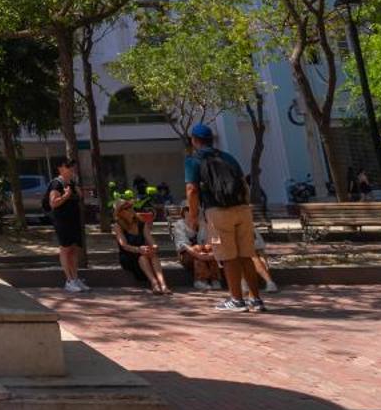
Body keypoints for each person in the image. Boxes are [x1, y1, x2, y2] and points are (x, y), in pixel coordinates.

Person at [184, 122, 266, 313]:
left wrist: (193, 216)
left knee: (228, 257)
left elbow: (192, 189)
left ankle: (236, 300)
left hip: (217, 211)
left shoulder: (193, 160)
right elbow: (243, 184)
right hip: (242, 209)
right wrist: (244, 204)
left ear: (195, 141)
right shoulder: (228, 157)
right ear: (211, 140)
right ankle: (256, 299)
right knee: (247, 254)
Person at [47, 156, 88, 293]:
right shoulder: (56, 184)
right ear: (60, 168)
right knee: (65, 249)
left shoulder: (72, 182)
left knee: (73, 249)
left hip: (73, 220)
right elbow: (53, 203)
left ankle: (76, 278)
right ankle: (69, 280)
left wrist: (75, 188)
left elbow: (80, 197)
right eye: (68, 166)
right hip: (62, 221)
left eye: (72, 166)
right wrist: (65, 195)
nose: (71, 169)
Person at [113, 199, 168, 294]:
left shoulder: (141, 223)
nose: (130, 209)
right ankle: (154, 283)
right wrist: (138, 249)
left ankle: (163, 284)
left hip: (143, 252)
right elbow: (124, 245)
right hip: (128, 255)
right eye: (126, 208)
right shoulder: (118, 226)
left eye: (130, 206)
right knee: (143, 257)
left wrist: (154, 247)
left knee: (153, 255)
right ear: (120, 213)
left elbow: (151, 240)